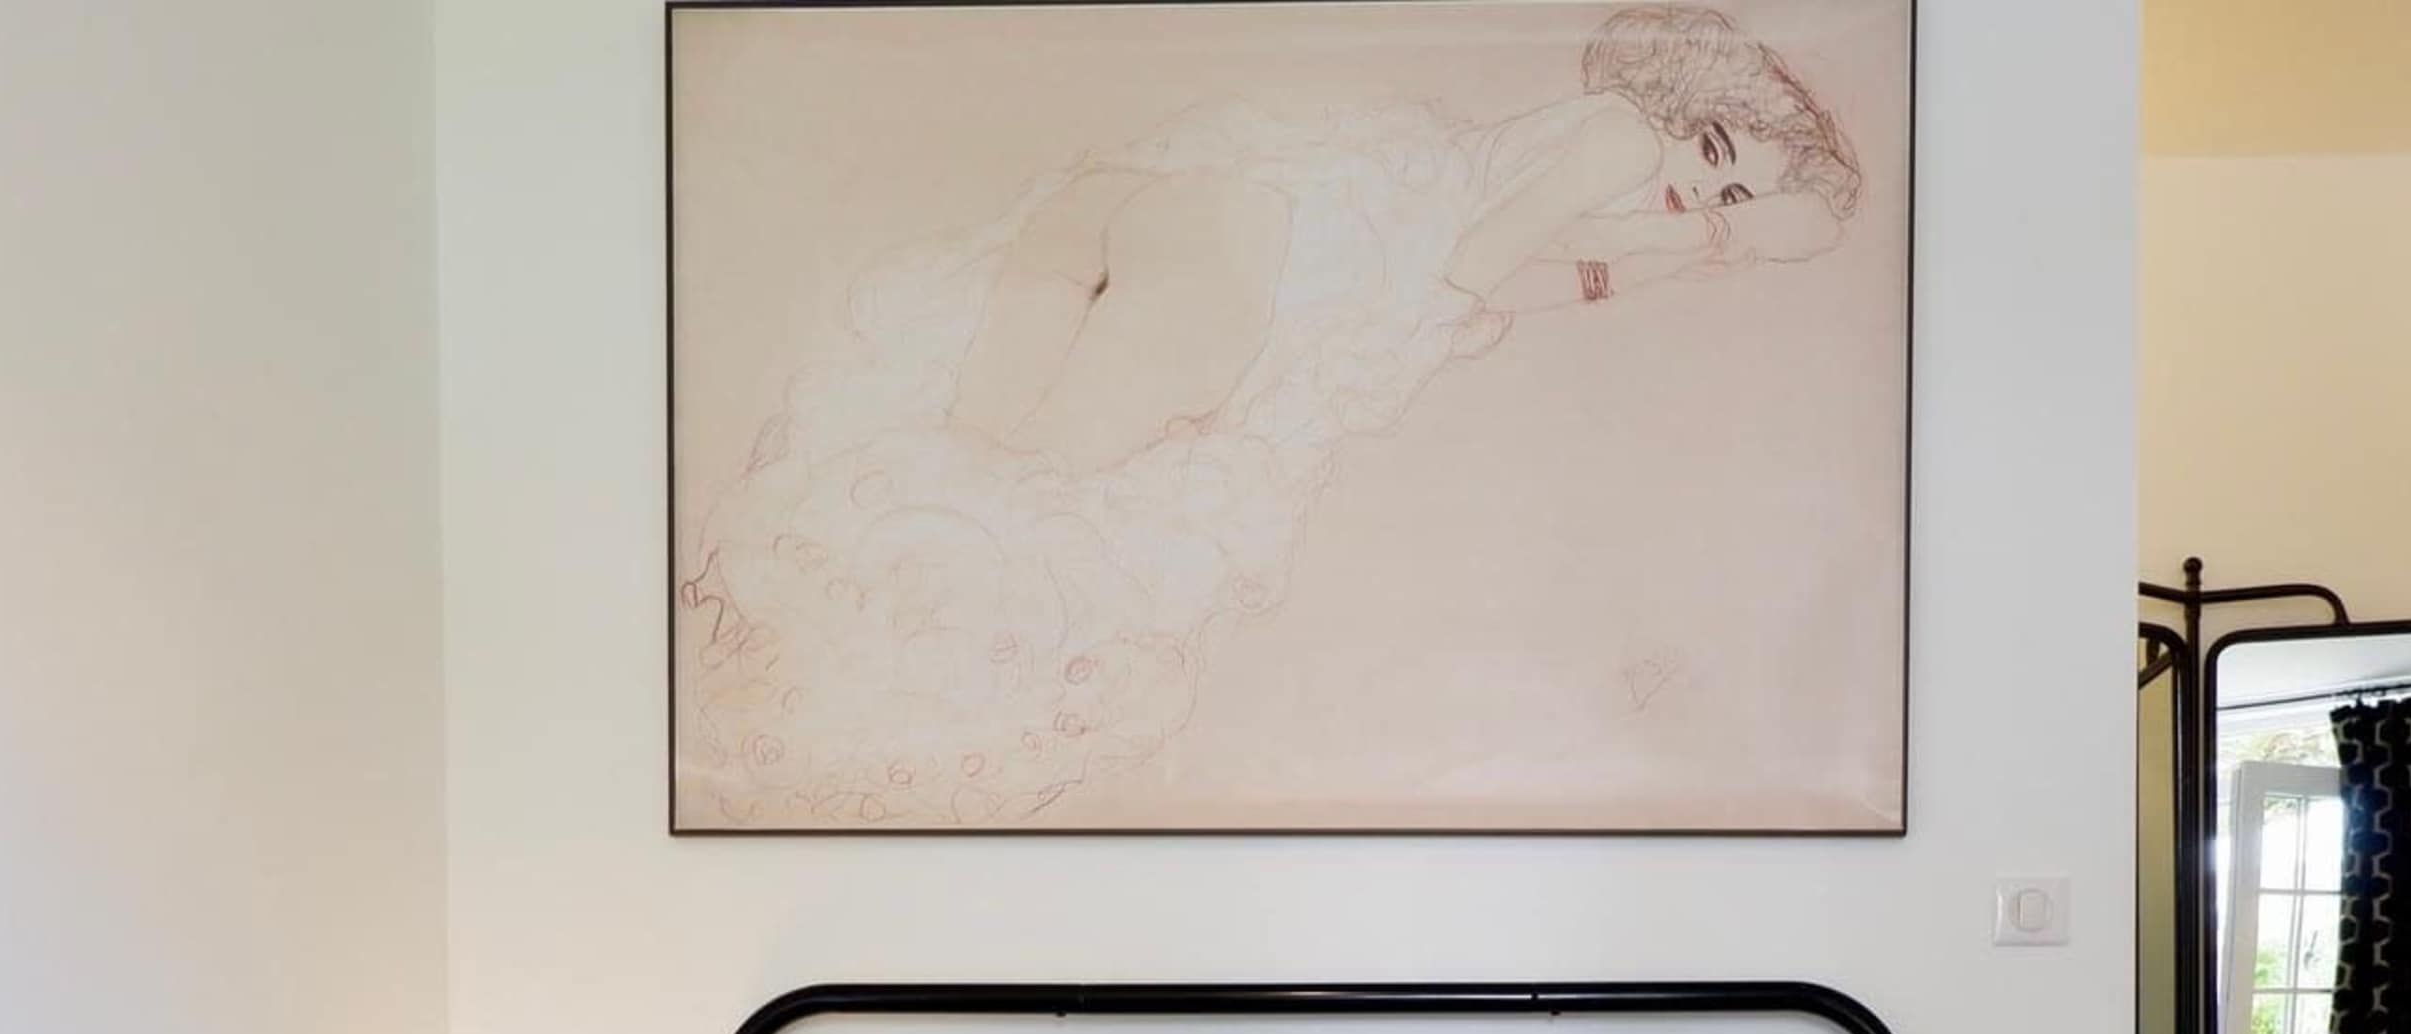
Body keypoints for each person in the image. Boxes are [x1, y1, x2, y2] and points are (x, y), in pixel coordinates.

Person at [680, 6, 1864, 826]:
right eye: (1715, 152)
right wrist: (1722, 240)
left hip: (1217, 237)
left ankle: (762, 697)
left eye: (1731, 188)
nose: (1702, 187)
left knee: (976, 485)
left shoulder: (1569, 180)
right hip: (1263, 262)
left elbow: (1521, 278)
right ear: (1676, 106)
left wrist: (1692, 251)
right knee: (1006, 526)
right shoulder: (1614, 135)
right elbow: (1469, 267)